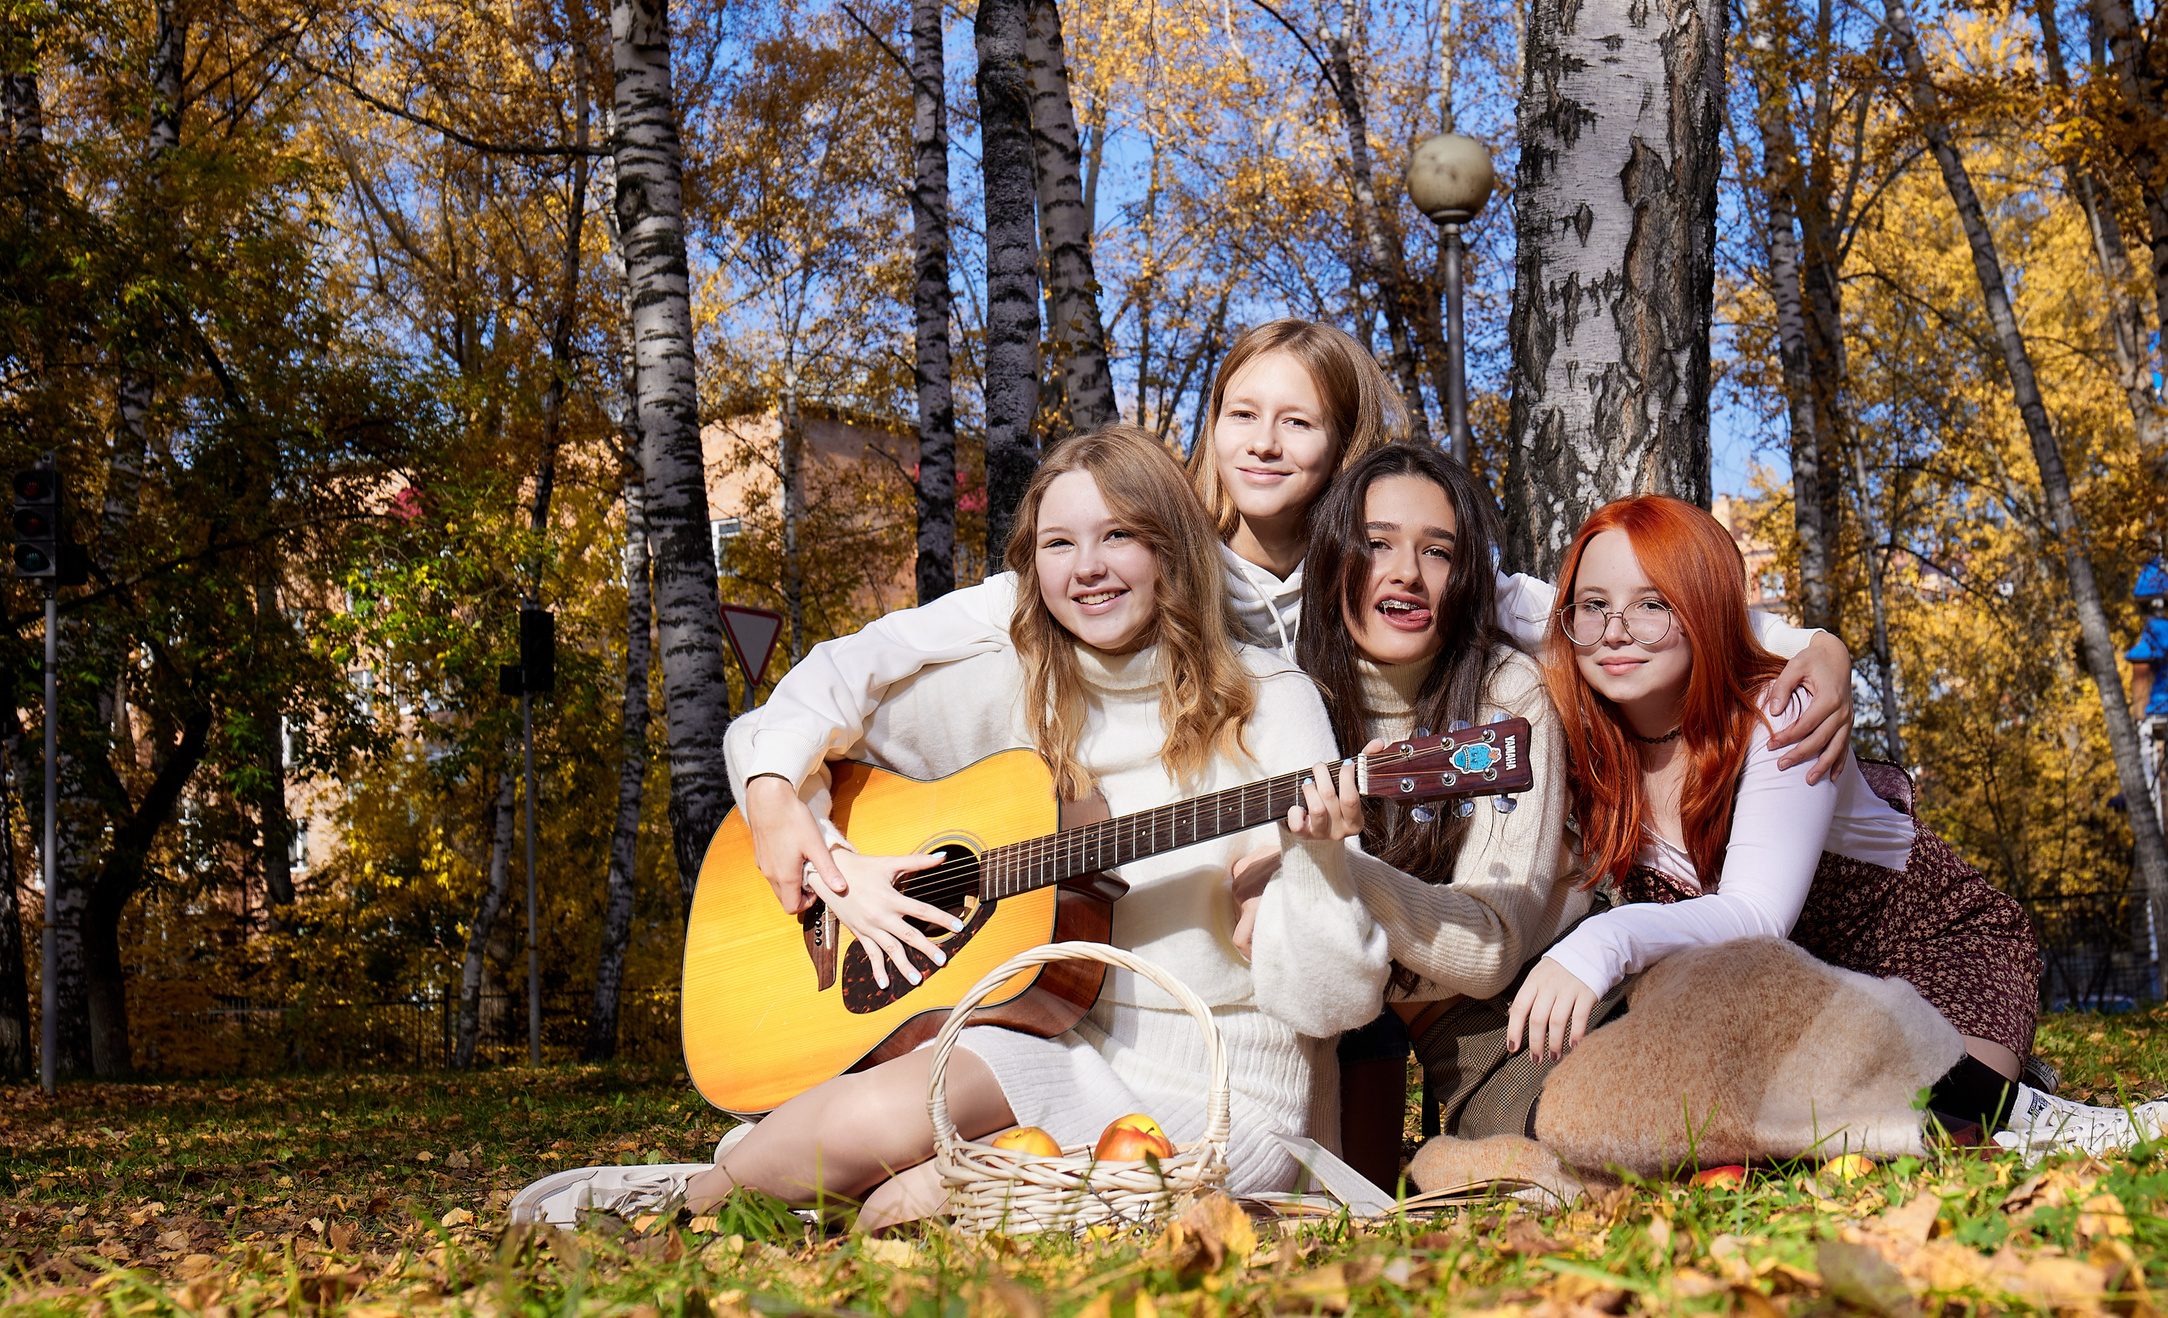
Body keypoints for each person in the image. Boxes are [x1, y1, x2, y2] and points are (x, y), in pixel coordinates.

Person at [511, 429, 1388, 1229]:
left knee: (923, 1205)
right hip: (1062, 1039)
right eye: (1058, 543)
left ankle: (899, 1186)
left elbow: (1336, 1003)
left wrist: (1319, 866)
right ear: (1029, 564)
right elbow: (807, 703)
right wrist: (802, 820)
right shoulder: (1018, 684)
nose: (1088, 566)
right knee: (871, 1116)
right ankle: (669, 1208)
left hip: (1225, 1083)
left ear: (1173, 549)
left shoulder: (1272, 702)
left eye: (1119, 534)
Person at [722, 319, 1861, 925]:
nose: (1263, 443)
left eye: (1299, 424)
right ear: (1210, 424)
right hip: (1121, 893)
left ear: (1346, 445)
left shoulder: (1380, 580)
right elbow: (857, 663)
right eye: (1241, 413)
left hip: (1284, 904)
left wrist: (1811, 644)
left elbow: (1557, 608)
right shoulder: (1137, 565)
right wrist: (777, 795)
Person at [1417, 495, 2168, 1161]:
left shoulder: (1783, 707)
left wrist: (1600, 943)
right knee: (1810, 1139)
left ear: (1701, 609)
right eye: (1593, 606)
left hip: (1922, 950)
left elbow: (1757, 915)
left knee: (1951, 1134)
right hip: (1789, 988)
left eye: (1654, 605)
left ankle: (2083, 1119)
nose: (1617, 629)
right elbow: (1456, 581)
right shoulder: (1581, 686)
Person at [1236, 442, 1581, 1179]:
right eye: (1377, 543)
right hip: (1327, 1017)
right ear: (1334, 560)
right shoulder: (1280, 695)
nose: (1406, 572)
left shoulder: (1506, 698)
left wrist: (1325, 876)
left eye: (1437, 551)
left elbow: (1489, 949)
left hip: (1498, 1012)